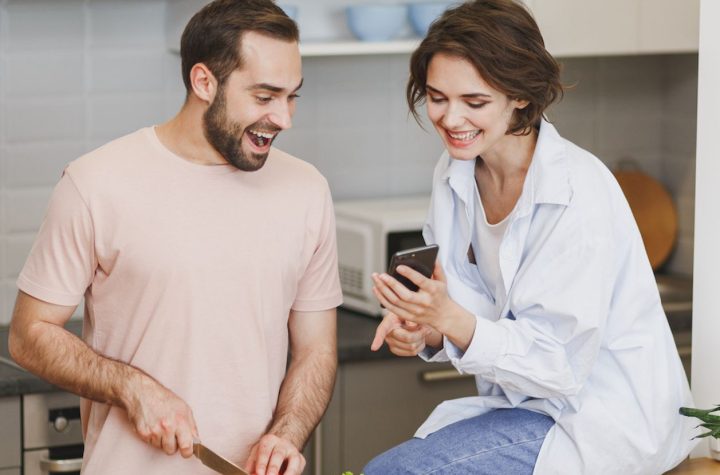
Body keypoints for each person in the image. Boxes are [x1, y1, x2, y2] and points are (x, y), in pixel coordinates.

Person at [8, 1, 342, 474]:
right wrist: (133, 387)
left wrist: (286, 434)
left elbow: (316, 350)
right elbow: (28, 335)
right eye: (265, 96)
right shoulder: (96, 183)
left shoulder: (307, 190)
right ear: (204, 82)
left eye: (292, 97)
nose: (284, 118)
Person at [364, 1, 696, 473]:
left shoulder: (577, 192)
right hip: (527, 407)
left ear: (520, 95)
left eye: (474, 102)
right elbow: (471, 305)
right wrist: (426, 327)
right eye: (437, 97)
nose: (451, 119)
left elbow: (558, 363)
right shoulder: (455, 172)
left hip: (602, 418)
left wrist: (450, 318)